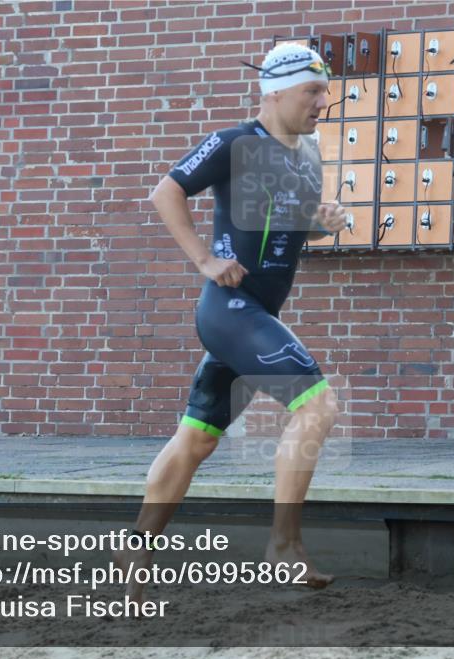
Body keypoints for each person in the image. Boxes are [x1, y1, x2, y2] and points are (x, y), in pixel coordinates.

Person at [113, 42, 348, 603]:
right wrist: (204, 260)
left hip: (255, 314)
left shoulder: (306, 153)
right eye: (312, 91)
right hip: (231, 311)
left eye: (324, 91)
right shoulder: (234, 143)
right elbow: (166, 192)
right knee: (317, 404)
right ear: (275, 90)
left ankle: (133, 552)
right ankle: (283, 548)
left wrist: (323, 224)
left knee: (196, 438)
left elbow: (290, 227)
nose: (324, 101)